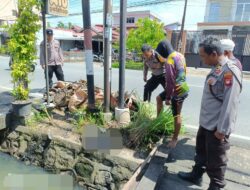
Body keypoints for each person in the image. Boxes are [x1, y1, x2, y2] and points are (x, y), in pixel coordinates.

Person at [178, 37, 242, 190]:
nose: (202, 59)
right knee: (201, 153)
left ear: (213, 54)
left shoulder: (230, 72)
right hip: (207, 123)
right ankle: (196, 175)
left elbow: (230, 103)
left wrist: (222, 130)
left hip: (216, 128)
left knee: (216, 161)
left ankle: (216, 186)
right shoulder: (218, 67)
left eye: (203, 55)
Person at [156, 40, 189, 148]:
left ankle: (174, 139)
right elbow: (184, 70)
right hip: (181, 85)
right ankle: (158, 121)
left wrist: (168, 98)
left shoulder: (169, 60)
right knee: (158, 98)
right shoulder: (180, 55)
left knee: (176, 115)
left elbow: (170, 81)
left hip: (177, 90)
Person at [141, 44, 166, 115]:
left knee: (169, 92)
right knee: (147, 88)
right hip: (155, 76)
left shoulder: (157, 55)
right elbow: (145, 66)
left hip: (163, 76)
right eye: (144, 54)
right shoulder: (145, 57)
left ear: (150, 51)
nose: (146, 56)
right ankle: (146, 107)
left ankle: (171, 109)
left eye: (147, 54)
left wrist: (159, 66)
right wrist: (145, 76)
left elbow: (166, 62)